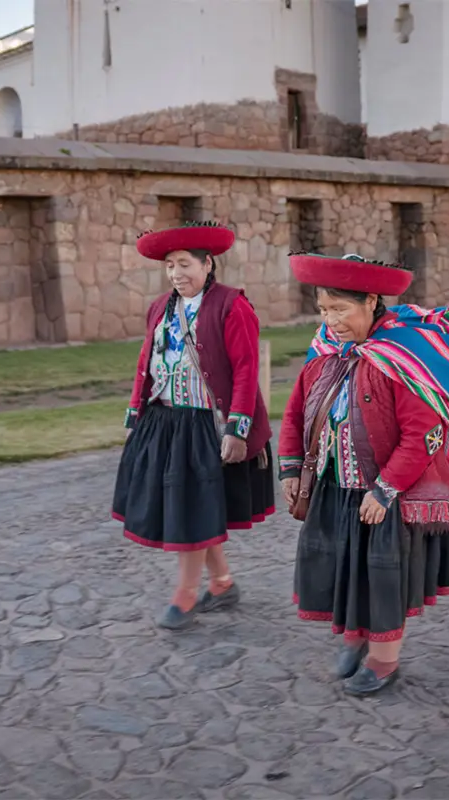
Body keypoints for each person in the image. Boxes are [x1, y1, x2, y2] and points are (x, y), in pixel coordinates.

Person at [279, 252, 449, 695]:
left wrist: (385, 489)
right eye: (323, 310)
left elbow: (423, 436)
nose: (330, 320)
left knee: (383, 576)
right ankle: (355, 636)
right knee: (343, 566)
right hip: (336, 489)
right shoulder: (325, 352)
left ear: (371, 301)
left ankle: (383, 660)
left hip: (386, 496)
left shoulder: (402, 356)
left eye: (340, 309)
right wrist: (292, 468)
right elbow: (297, 411)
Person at [113, 221, 275, 630]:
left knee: (189, 511)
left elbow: (245, 369)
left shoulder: (231, 305)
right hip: (165, 421)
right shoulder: (159, 308)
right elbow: (145, 361)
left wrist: (237, 428)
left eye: (184, 264)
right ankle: (221, 583)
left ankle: (185, 595)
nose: (176, 274)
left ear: (208, 264)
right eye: (170, 266)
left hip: (206, 424)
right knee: (191, 509)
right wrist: (137, 411)